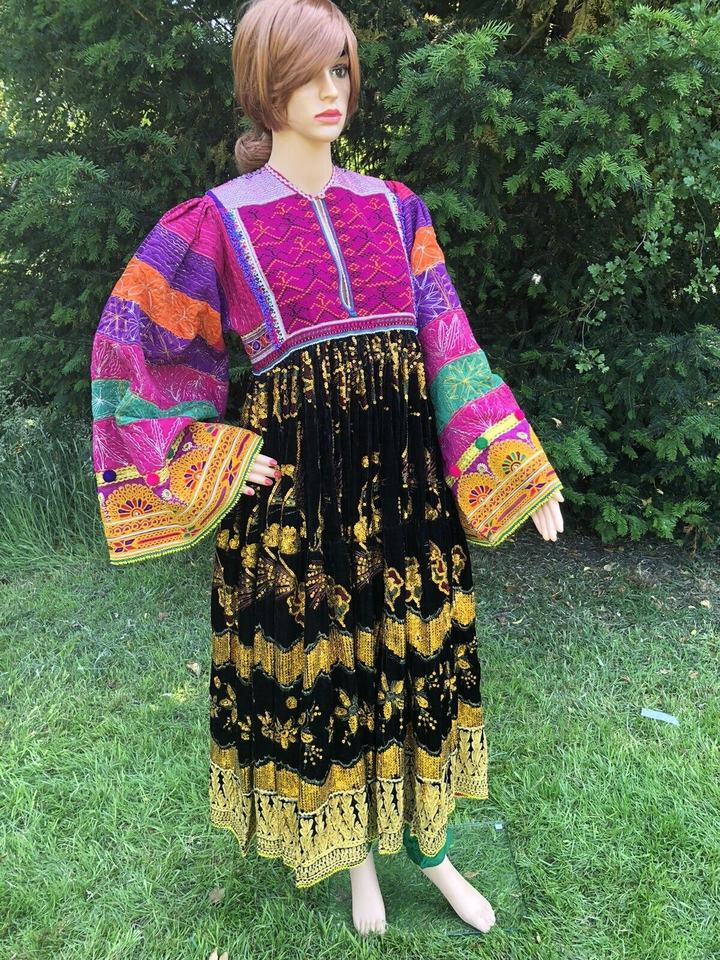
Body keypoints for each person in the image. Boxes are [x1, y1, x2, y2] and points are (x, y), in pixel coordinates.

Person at [90, 0, 564, 938]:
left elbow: (450, 344)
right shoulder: (216, 224)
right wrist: (209, 456)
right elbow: (130, 346)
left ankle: (433, 852)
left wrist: (514, 462)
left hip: (405, 496)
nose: (329, 91)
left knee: (416, 664)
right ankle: (357, 868)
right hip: (300, 508)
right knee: (328, 680)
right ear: (264, 87)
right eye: (306, 74)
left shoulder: (397, 209)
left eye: (339, 69)